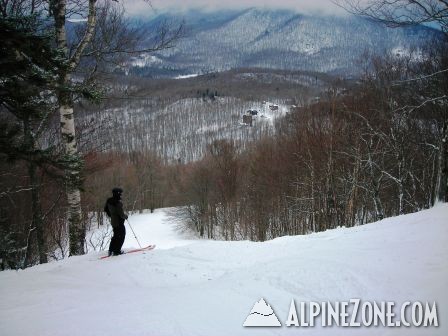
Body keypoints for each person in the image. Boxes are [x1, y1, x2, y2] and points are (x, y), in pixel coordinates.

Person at [104, 187, 128, 256]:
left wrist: (111, 215)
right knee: (121, 236)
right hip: (119, 222)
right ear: (118, 194)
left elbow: (106, 209)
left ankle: (111, 250)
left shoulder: (109, 200)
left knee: (115, 236)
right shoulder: (117, 202)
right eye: (120, 193)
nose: (121, 195)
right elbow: (121, 214)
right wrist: (125, 216)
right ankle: (117, 251)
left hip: (113, 221)